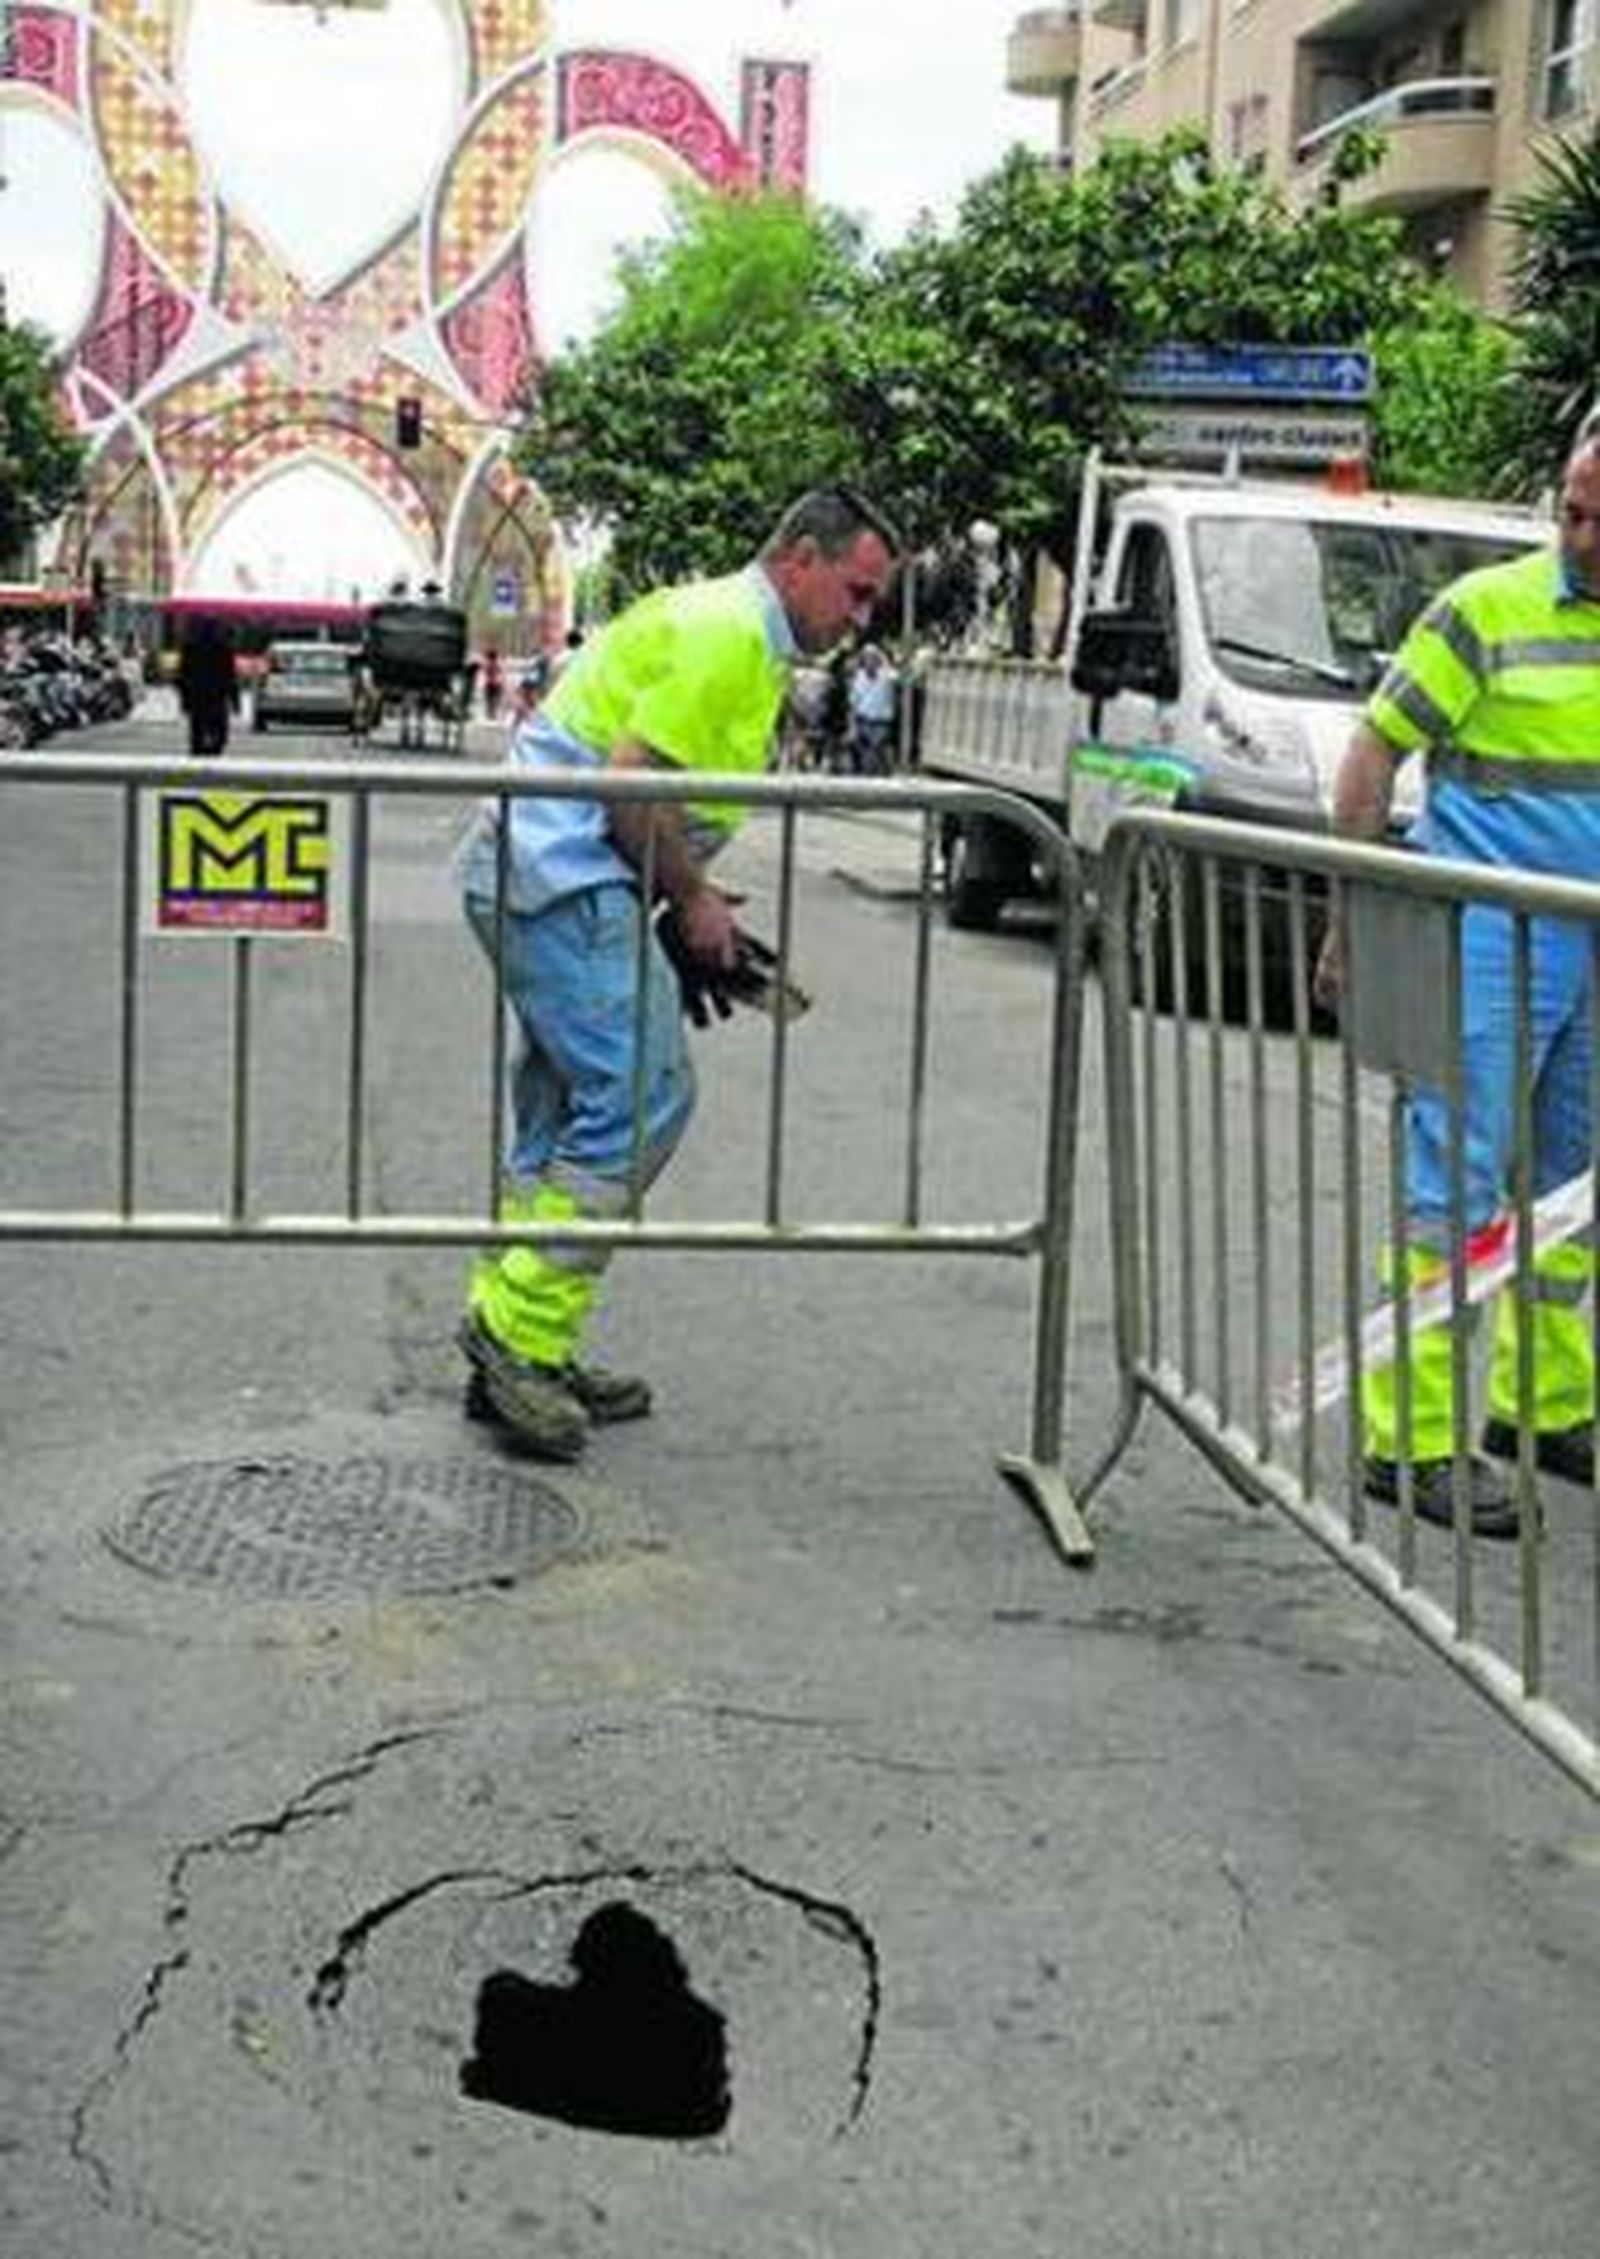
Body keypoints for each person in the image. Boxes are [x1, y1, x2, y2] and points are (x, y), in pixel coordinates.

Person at [455, 486, 900, 1459]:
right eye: (857, 593)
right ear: (799, 560)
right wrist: (691, 900)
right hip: (560, 875)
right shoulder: (733, 635)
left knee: (565, 1112)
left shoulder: (729, 625)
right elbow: (627, 781)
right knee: (641, 1097)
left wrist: (680, 892)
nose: (860, 619)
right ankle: (519, 1334)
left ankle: (518, 1328)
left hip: (545, 872)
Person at [1315, 430, 1600, 1541]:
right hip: (1483, 936)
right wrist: (1351, 917)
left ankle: (1546, 1407)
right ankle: (1412, 1435)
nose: (1575, 536)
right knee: (1453, 1186)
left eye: (1596, 519)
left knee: (1566, 1189)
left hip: (1586, 944)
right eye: (1569, 510)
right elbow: (1370, 756)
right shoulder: (1485, 610)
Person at [175, 618, 238, 758]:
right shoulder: (224, 648)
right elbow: (231, 677)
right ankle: (214, 745)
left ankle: (199, 746)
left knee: (197, 725)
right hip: (217, 695)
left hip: (197, 694)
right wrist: (235, 700)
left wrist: (184, 698)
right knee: (217, 726)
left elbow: (182, 675)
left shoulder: (190, 648)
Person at [846, 641, 898, 774]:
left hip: (881, 723)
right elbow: (853, 703)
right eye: (866, 658)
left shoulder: (886, 675)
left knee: (876, 750)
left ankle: (879, 770)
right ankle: (866, 773)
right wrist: (852, 726)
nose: (870, 662)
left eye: (873, 658)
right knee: (861, 751)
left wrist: (882, 657)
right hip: (863, 721)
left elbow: (897, 675)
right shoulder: (859, 677)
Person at [481, 648, 504, 722]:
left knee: (490, 699)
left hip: (491, 684)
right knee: (492, 699)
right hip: (494, 684)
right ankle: (491, 713)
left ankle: (491, 713)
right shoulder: (494, 665)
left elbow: (488, 674)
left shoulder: (489, 665)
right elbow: (499, 674)